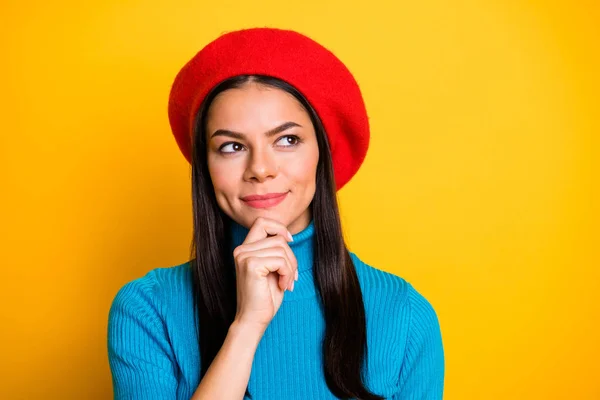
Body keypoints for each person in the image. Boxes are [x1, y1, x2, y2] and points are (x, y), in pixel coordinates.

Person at [107, 27, 445, 400]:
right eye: (232, 146)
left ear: (323, 154)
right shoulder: (147, 310)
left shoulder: (405, 316)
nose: (261, 169)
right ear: (206, 165)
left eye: (287, 140)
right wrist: (246, 327)